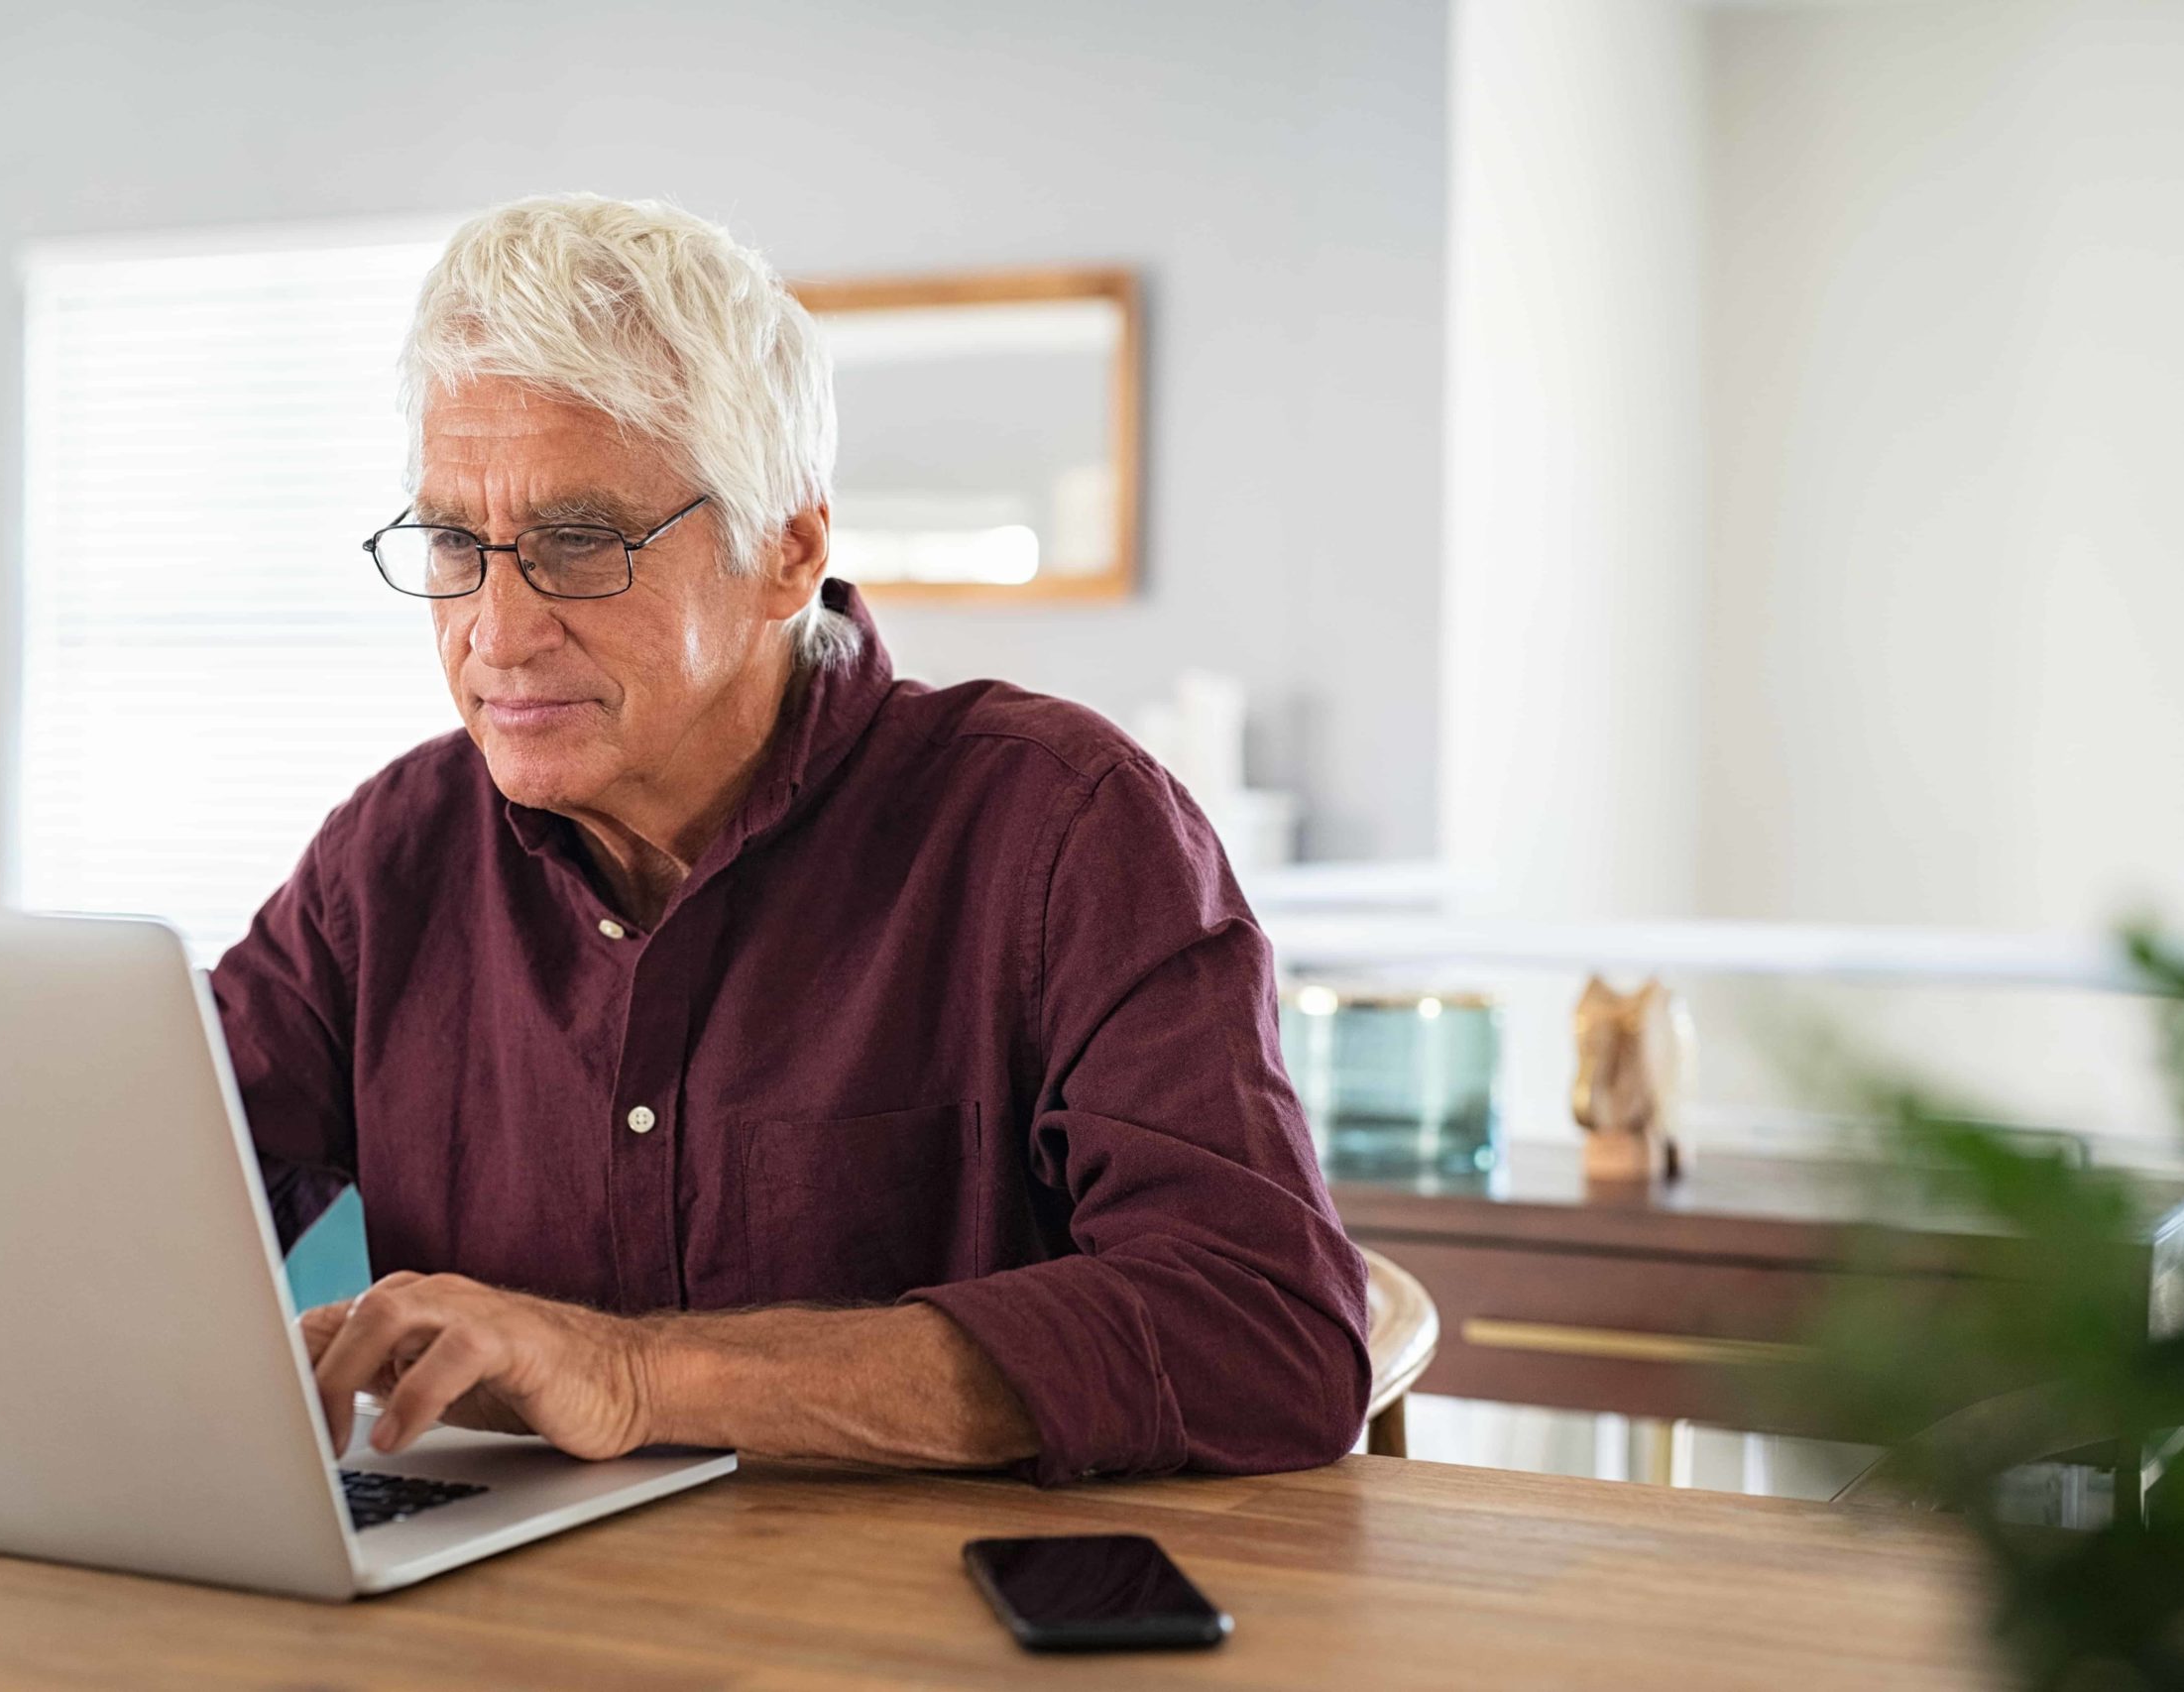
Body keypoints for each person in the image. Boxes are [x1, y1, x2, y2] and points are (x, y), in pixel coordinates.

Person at [212, 193, 1369, 1485]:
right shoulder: (391, 857)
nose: (496, 630)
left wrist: (636, 1376)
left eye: (580, 543)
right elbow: (140, 1188)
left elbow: (1265, 1335)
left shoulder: (1063, 829)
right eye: (452, 543)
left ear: (786, 551)